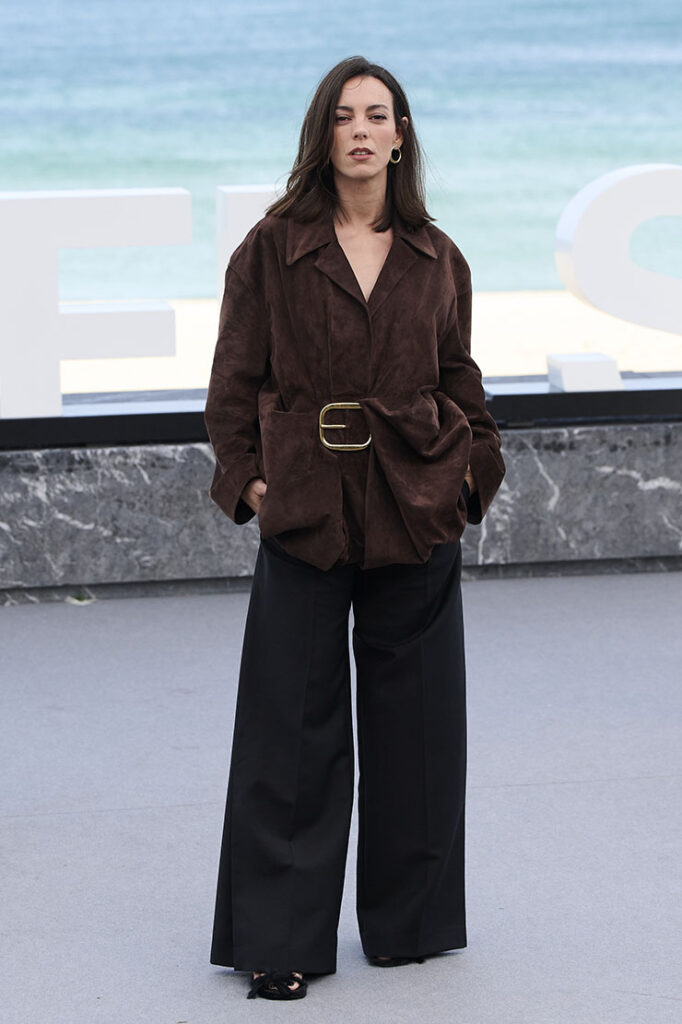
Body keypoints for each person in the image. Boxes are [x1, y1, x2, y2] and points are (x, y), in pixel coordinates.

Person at [203, 55, 506, 1001]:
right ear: (323, 135)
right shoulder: (272, 247)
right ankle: (279, 942)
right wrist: (250, 483)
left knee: (419, 725)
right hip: (302, 503)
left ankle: (411, 927)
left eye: (380, 115)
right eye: (346, 116)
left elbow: (459, 378)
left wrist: (471, 477)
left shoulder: (436, 253)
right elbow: (232, 385)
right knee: (289, 727)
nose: (363, 131)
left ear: (402, 135)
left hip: (417, 502)